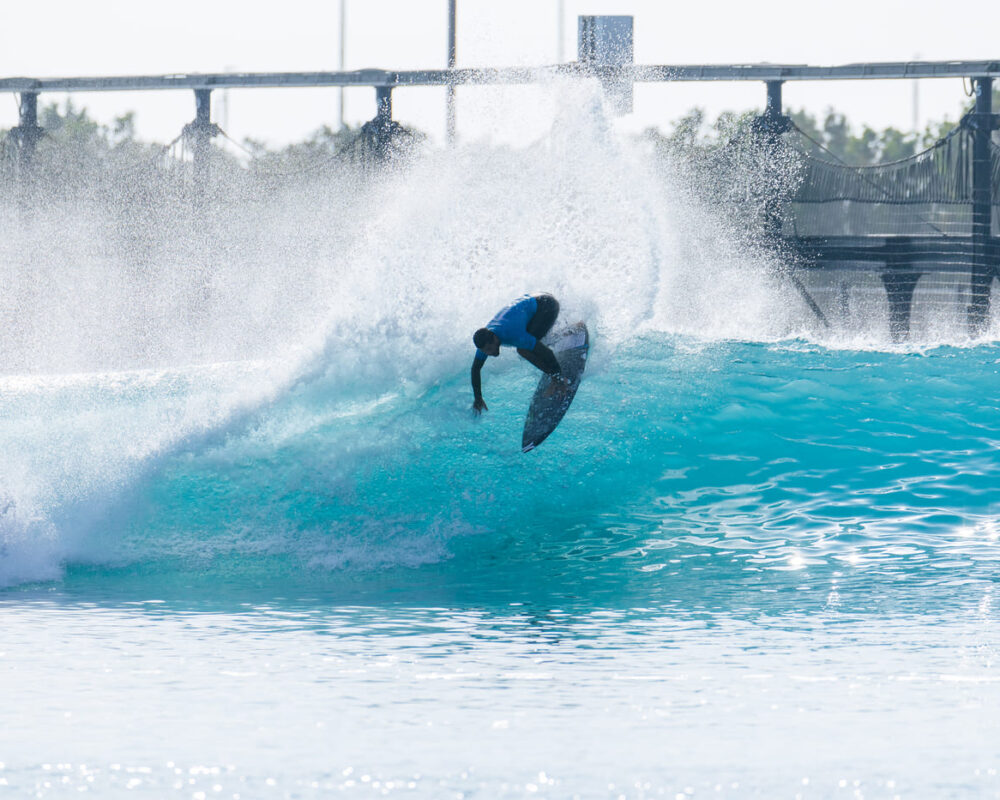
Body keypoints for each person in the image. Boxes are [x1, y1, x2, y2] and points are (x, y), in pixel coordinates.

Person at [471, 293, 565, 415]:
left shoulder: (511, 334)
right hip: (533, 307)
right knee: (528, 344)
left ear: (494, 338)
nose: (489, 353)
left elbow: (546, 352)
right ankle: (565, 334)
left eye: (490, 349)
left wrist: (559, 377)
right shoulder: (484, 341)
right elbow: (475, 368)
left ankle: (556, 378)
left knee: (524, 350)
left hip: (547, 305)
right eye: (486, 351)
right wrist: (478, 398)